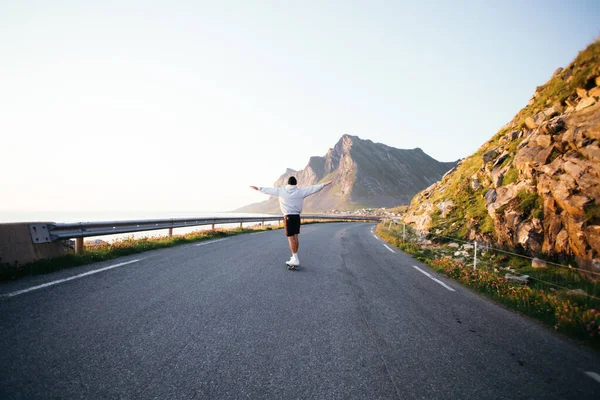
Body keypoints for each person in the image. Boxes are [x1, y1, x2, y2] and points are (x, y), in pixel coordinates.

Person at [250, 176, 332, 266]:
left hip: (288, 217)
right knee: (295, 237)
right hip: (297, 217)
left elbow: (268, 190)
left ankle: (295, 258)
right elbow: (313, 189)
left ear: (288, 183)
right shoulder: (300, 192)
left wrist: (258, 188)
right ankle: (294, 257)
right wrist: (324, 184)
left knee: (290, 238)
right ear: (295, 183)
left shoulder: (281, 191)